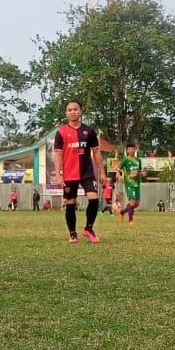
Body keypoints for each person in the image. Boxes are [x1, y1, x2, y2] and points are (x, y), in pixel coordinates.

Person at [52, 100, 106, 243]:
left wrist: (102, 172)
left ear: (80, 111)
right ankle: (72, 233)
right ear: (66, 113)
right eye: (69, 110)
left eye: (75, 109)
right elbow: (58, 154)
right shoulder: (61, 132)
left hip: (87, 172)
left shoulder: (89, 131)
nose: (73, 112)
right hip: (69, 174)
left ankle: (88, 228)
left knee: (94, 199)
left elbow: (96, 152)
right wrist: (58, 175)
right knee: (71, 202)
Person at [119, 143, 144, 226]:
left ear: (135, 149)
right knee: (132, 202)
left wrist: (142, 173)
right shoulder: (125, 160)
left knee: (136, 204)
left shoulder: (138, 160)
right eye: (129, 149)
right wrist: (119, 176)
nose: (131, 150)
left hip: (137, 183)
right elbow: (118, 168)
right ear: (127, 151)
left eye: (133, 149)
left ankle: (122, 212)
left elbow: (139, 171)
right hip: (129, 183)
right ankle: (130, 220)